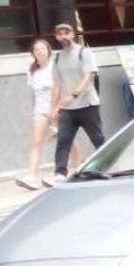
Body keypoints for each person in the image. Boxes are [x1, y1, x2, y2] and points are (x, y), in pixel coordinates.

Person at [15, 38, 77, 190]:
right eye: (36, 50)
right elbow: (34, 94)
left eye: (43, 48)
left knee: (65, 140)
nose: (40, 52)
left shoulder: (55, 67)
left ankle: (77, 167)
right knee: (36, 141)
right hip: (40, 110)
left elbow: (61, 88)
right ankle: (32, 176)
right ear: (33, 54)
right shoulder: (33, 71)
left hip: (57, 108)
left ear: (48, 51)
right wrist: (35, 110)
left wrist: (56, 109)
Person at [50, 23, 106, 185]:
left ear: (73, 34)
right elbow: (57, 84)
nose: (64, 37)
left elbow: (89, 76)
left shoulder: (84, 52)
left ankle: (110, 165)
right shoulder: (58, 58)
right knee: (63, 140)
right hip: (68, 109)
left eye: (66, 33)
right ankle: (60, 174)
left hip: (87, 104)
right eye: (60, 34)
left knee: (97, 138)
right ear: (56, 37)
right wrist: (55, 107)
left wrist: (74, 94)